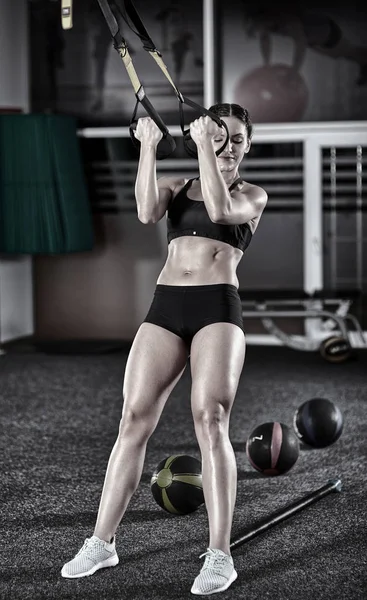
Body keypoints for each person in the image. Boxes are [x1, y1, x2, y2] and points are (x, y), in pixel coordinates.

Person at [61, 102, 268, 595]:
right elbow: (145, 210)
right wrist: (150, 148)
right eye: (223, 136)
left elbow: (219, 211)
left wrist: (202, 145)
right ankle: (102, 542)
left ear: (247, 145)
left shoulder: (252, 195)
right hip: (166, 304)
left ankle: (220, 556)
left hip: (218, 307)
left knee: (210, 419)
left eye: (239, 138)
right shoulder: (178, 188)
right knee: (133, 420)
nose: (230, 146)